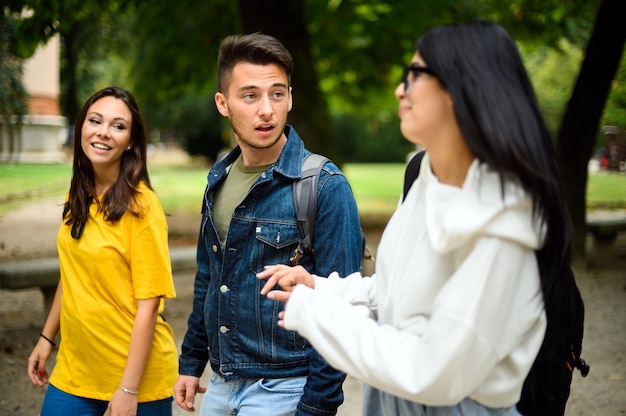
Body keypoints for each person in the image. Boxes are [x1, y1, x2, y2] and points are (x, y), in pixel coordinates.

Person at [258, 21, 572, 415]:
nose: (399, 90)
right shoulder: (429, 178)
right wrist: (322, 289)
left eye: (415, 75)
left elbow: (433, 372)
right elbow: (397, 295)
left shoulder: (504, 224)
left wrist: (316, 313)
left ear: (462, 88)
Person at [173, 33, 363, 415]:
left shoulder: (324, 186)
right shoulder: (219, 179)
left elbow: (341, 306)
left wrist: (316, 406)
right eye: (250, 96)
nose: (266, 110)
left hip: (284, 389)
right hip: (222, 385)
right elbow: (209, 278)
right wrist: (191, 363)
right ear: (222, 104)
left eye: (277, 94)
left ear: (290, 98)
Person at [27, 87, 178, 416]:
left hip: (137, 378)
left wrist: (128, 389)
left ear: (131, 141)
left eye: (118, 126)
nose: (103, 132)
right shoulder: (78, 194)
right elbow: (73, 274)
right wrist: (46, 338)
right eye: (95, 121)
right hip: (74, 371)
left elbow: (149, 306)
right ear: (81, 126)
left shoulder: (143, 208)